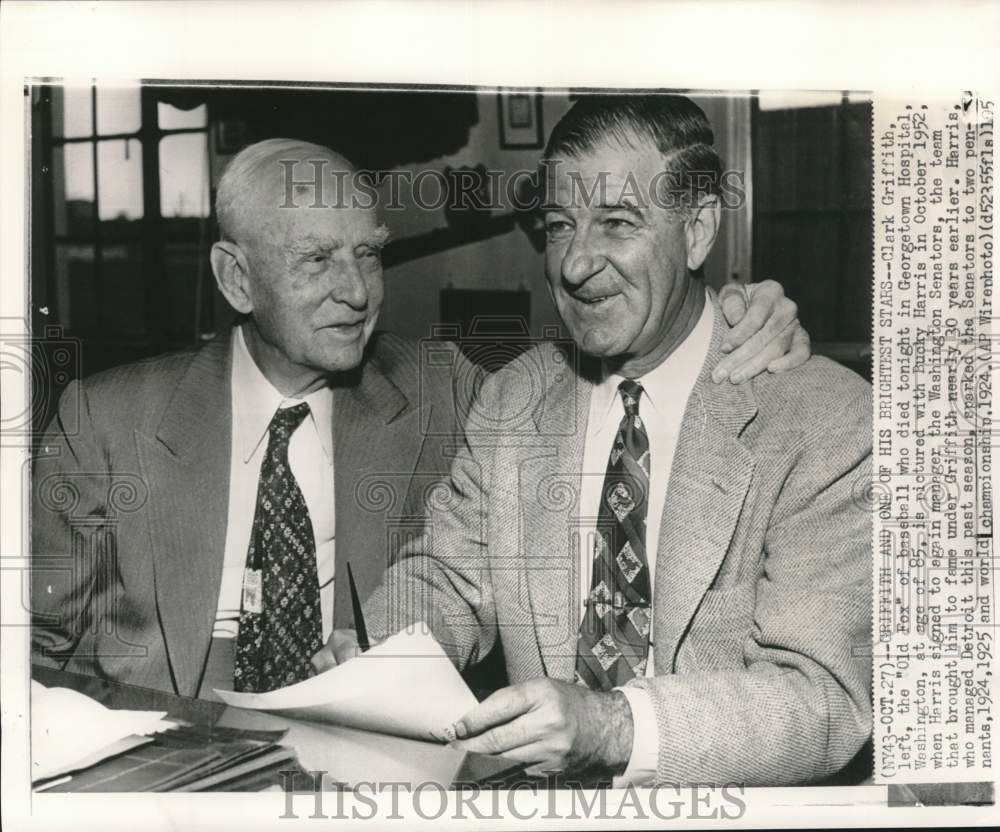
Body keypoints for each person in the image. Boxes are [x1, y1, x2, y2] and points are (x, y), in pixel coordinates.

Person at [31, 135, 809, 700]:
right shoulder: (106, 422)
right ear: (237, 279)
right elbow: (32, 652)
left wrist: (735, 313)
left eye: (367, 255)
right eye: (316, 260)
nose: (356, 292)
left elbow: (590, 397)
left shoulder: (445, 389)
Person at [347, 96, 873, 787]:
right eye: (559, 226)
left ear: (697, 231)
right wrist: (373, 659)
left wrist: (613, 727)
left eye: (618, 223)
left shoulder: (827, 420)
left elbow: (820, 699)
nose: (574, 264)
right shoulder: (514, 397)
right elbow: (447, 577)